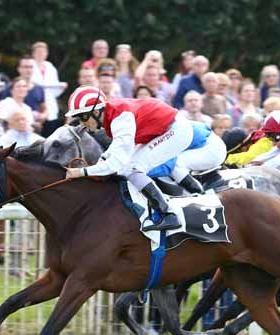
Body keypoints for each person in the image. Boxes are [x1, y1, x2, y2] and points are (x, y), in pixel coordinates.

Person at [64, 86, 197, 231]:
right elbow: (113, 151)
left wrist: (82, 172)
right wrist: (97, 166)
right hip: (165, 129)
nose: (82, 124)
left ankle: (168, 214)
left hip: (175, 131)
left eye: (83, 117)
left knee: (132, 169)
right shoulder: (113, 115)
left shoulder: (120, 119)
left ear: (96, 112)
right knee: (128, 169)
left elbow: (115, 164)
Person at [0, 56, 47, 129]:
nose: (28, 70)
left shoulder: (39, 88)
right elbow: (2, 116)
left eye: (31, 67)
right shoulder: (9, 89)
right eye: (25, 67)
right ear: (19, 69)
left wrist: (43, 116)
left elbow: (44, 108)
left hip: (33, 129)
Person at [31, 41, 67, 136]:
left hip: (50, 105)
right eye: (38, 52)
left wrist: (61, 88)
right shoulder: (30, 66)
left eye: (43, 52)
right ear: (33, 53)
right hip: (36, 106)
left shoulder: (51, 67)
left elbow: (55, 92)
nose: (41, 54)